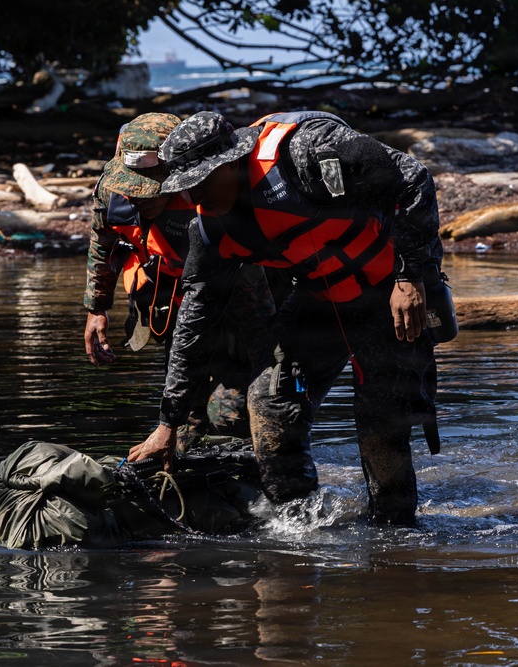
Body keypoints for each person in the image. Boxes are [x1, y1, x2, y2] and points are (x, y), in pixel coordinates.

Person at [126, 110, 445, 525]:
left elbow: (413, 177)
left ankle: (395, 534)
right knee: (270, 398)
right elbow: (195, 324)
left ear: (231, 161)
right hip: (321, 299)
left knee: (381, 420)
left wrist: (410, 276)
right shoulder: (209, 233)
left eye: (201, 182)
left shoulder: (306, 152)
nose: (194, 198)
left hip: (392, 295)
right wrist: (167, 422)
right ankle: (297, 520)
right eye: (185, 189)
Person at [83, 112, 275, 447]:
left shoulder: (212, 202)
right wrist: (96, 308)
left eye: (150, 190)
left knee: (229, 419)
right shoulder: (111, 194)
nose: (139, 199)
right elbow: (103, 245)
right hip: (177, 309)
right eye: (133, 190)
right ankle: (184, 476)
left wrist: (270, 370)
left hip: (233, 314)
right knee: (184, 419)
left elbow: (256, 306)